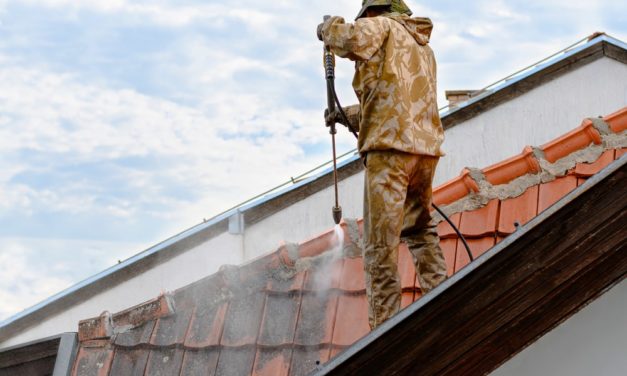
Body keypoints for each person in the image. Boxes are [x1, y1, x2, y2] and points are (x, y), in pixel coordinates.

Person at [319, 0, 448, 329]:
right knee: (420, 231)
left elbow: (347, 39)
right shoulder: (421, 47)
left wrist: (327, 28)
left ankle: (386, 334)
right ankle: (447, 306)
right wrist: (344, 114)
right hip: (424, 151)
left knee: (380, 248)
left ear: (373, 11)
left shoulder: (381, 26)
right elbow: (391, 102)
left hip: (390, 155)